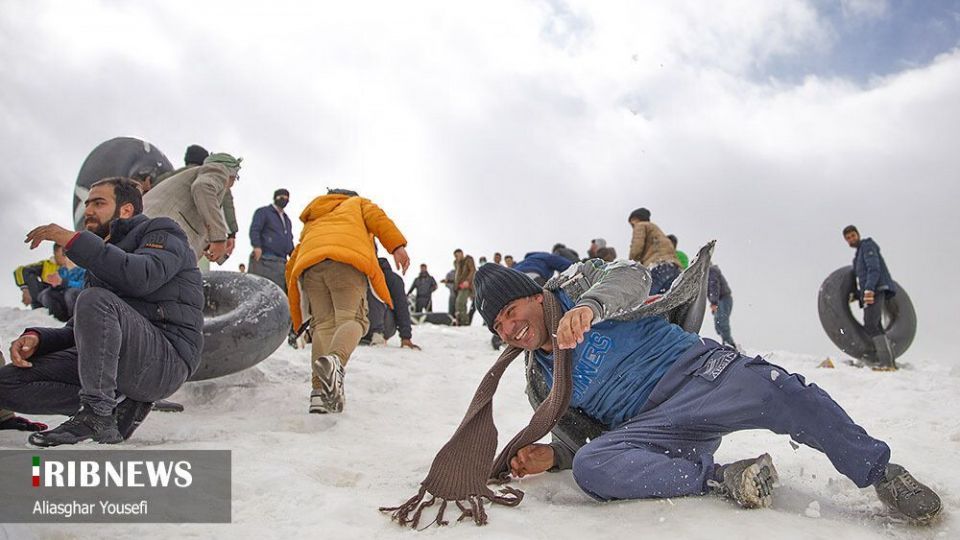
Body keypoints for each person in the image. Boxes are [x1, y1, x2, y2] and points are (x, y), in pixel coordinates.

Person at [470, 260, 941, 524]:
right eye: (498, 325)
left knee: (787, 393)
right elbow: (583, 439)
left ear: (534, 296)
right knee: (595, 468)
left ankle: (881, 472)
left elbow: (632, 276)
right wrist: (554, 457)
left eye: (511, 311)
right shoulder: (539, 379)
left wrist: (590, 307)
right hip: (654, 429)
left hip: (702, 373)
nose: (509, 328)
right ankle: (721, 477)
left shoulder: (577, 284)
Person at [0, 177, 204, 446]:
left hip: (164, 358)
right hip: (115, 364)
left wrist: (73, 240)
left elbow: (142, 276)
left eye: (98, 203)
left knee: (95, 299)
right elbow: (83, 330)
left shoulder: (162, 231)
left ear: (126, 210)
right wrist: (39, 338)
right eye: (87, 204)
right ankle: (117, 405)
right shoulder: (100, 258)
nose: (88, 211)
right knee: (6, 383)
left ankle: (97, 414)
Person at [285, 188, 409, 414]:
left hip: (311, 268)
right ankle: (335, 361)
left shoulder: (316, 216)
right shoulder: (357, 204)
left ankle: (318, 394)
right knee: (354, 320)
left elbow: (296, 253)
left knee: (322, 325)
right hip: (346, 262)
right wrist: (397, 246)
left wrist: (294, 289)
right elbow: (378, 218)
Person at [143, 152, 242, 266]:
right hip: (161, 234)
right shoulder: (219, 169)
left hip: (151, 230)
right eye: (235, 177)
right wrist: (219, 237)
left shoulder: (187, 176)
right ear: (231, 172)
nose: (233, 184)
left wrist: (210, 245)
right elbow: (203, 187)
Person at [843, 225, 898, 369]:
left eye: (853, 236)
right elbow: (861, 276)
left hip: (876, 289)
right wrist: (856, 294)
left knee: (870, 323)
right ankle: (888, 362)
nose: (851, 239)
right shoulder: (857, 256)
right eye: (848, 238)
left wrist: (869, 289)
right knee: (876, 324)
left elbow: (874, 268)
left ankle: (886, 363)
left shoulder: (867, 246)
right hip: (871, 290)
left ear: (858, 235)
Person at [365, 257, 421, 350]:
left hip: (385, 324)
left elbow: (402, 307)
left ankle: (377, 334)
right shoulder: (357, 273)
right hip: (360, 325)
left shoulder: (391, 278)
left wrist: (405, 337)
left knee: (375, 290)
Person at [249, 188, 295, 292]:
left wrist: (294, 256)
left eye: (287, 198)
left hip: (282, 262)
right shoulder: (264, 212)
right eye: (282, 197)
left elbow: (289, 239)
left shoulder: (287, 219)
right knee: (265, 290)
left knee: (280, 292)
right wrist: (257, 246)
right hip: (266, 258)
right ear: (275, 197)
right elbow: (255, 229)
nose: (284, 199)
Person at [628, 207, 682, 294]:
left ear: (634, 219)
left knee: (645, 297)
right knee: (664, 297)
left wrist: (630, 262)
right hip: (673, 266)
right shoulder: (655, 229)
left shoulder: (640, 225)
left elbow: (637, 247)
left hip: (658, 266)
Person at [36, 245, 86, 322]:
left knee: (70, 293)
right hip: (64, 299)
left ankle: (74, 320)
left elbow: (84, 285)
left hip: (78, 297)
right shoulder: (62, 270)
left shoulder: (83, 269)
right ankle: (58, 320)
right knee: (46, 294)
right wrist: (54, 284)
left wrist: (64, 282)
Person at [708, 264, 736, 349]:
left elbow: (714, 286)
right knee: (718, 325)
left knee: (722, 322)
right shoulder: (708, 272)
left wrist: (714, 302)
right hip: (719, 300)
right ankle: (726, 343)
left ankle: (730, 345)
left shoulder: (711, 271)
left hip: (723, 299)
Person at [452, 249, 476, 326]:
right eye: (455, 256)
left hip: (466, 285)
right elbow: (457, 275)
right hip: (459, 286)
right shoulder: (457, 263)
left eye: (458, 255)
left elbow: (473, 270)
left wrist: (468, 281)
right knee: (457, 304)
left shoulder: (468, 260)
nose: (457, 257)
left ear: (462, 254)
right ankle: (460, 321)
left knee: (461, 302)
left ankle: (465, 322)